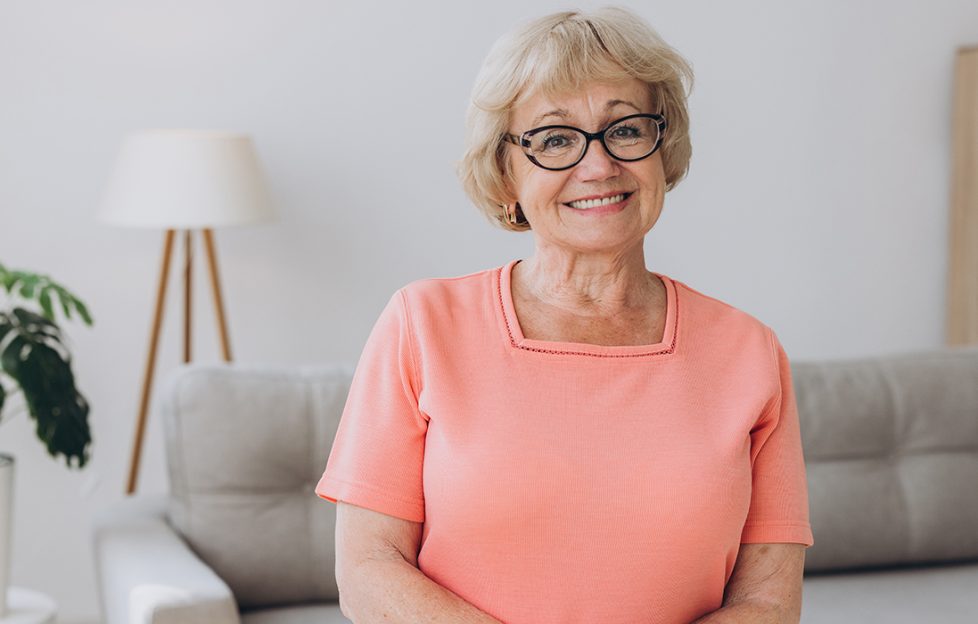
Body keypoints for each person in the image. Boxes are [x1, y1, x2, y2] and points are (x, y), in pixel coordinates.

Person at [315, 6, 814, 624]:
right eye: (555, 140)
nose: (599, 165)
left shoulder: (749, 351)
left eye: (626, 129)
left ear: (665, 148)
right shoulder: (422, 324)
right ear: (505, 173)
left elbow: (767, 601)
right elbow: (368, 568)